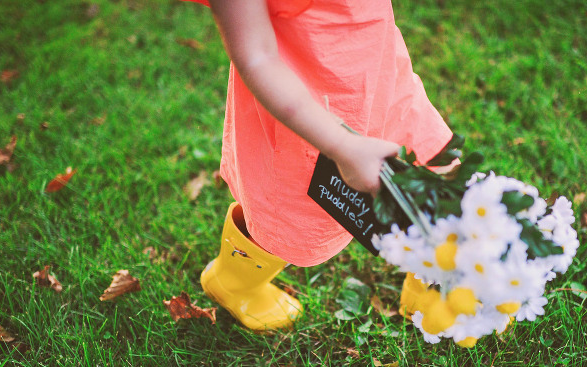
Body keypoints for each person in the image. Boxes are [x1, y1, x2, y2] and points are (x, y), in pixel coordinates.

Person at [183, 0, 455, 330]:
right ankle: (232, 283)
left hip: (381, 79)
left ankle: (434, 285)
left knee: (435, 164)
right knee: (290, 216)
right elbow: (256, 57)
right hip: (308, 114)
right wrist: (342, 145)